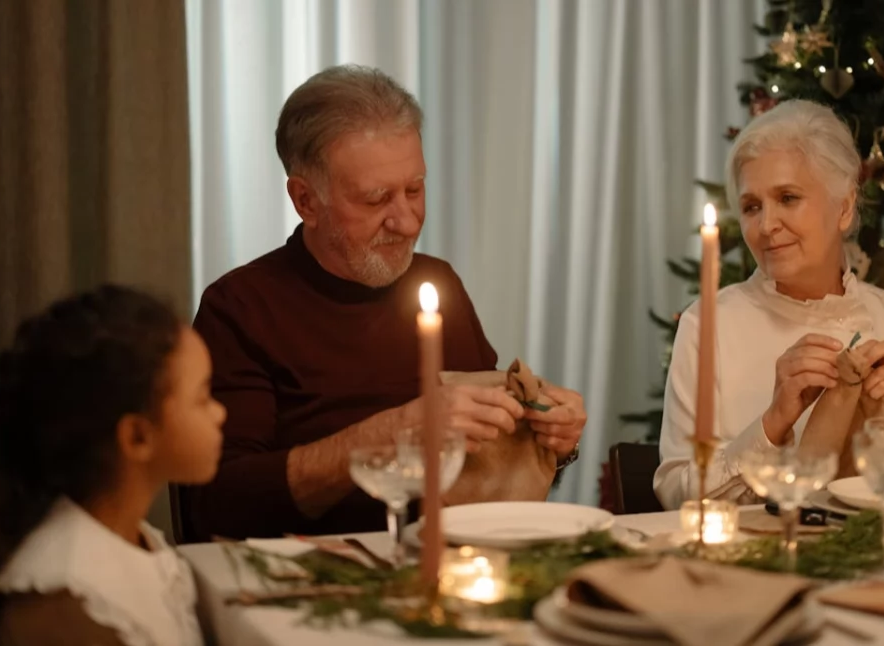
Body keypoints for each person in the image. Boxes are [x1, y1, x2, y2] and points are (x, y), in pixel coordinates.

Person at [186, 64, 587, 540]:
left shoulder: (438, 283)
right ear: (306, 201)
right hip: (305, 579)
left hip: (448, 567)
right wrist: (390, 434)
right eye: (377, 200)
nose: (407, 221)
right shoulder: (241, 308)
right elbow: (216, 505)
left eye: (415, 190)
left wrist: (548, 438)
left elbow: (489, 468)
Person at [653, 100, 884, 510]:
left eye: (787, 198)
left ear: (844, 207)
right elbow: (676, 496)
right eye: (751, 206)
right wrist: (772, 423)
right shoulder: (708, 324)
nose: (766, 226)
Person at [0, 286, 225, 646]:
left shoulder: (136, 537)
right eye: (202, 398)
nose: (220, 413)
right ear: (137, 436)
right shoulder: (66, 607)